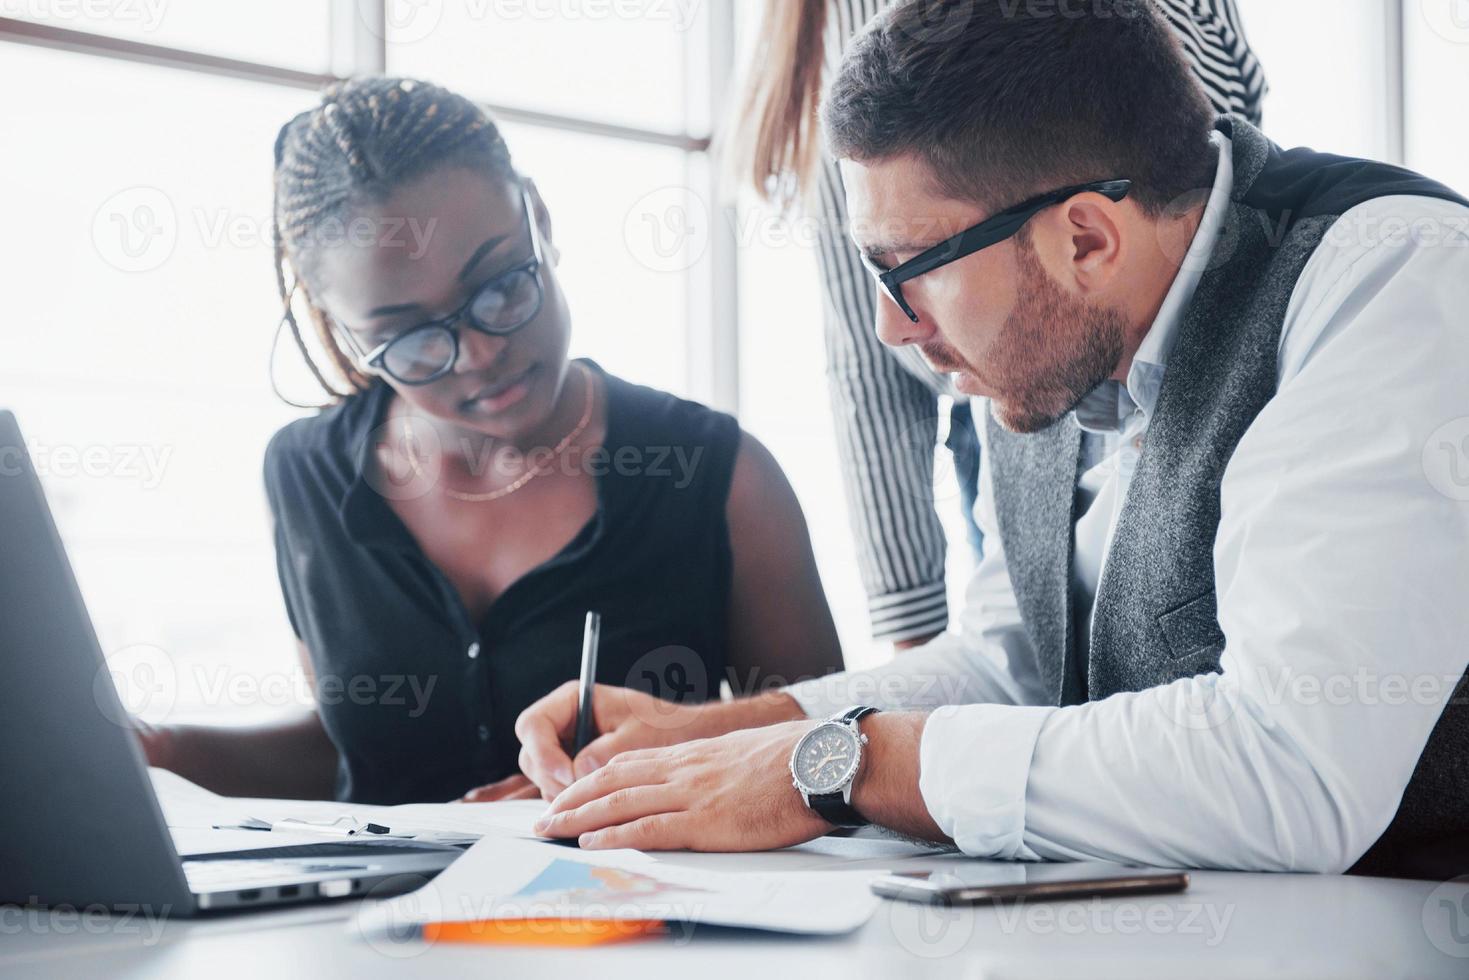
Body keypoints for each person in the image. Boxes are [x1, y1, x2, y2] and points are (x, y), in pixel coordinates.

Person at [515, 0, 1469, 879]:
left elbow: (1289, 772)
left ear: (1085, 239)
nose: (893, 328)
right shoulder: (1047, 337)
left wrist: (832, 767)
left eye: (907, 271)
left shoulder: (1392, 280)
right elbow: (1010, 661)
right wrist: (726, 736)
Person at [136, 77, 842, 805]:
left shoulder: (717, 474)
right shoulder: (304, 473)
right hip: (373, 920)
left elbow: (831, 755)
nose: (478, 354)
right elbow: (355, 747)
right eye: (408, 338)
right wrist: (164, 750)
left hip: (634, 913)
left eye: (500, 287)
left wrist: (650, 774)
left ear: (537, 215)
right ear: (345, 328)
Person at [727, 0, 1268, 648]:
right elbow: (863, 352)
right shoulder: (831, 23)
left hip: (1120, 343)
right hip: (1000, 391)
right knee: (1029, 665)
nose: (889, 324)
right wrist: (910, 636)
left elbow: (1192, 139)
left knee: (1172, 672)